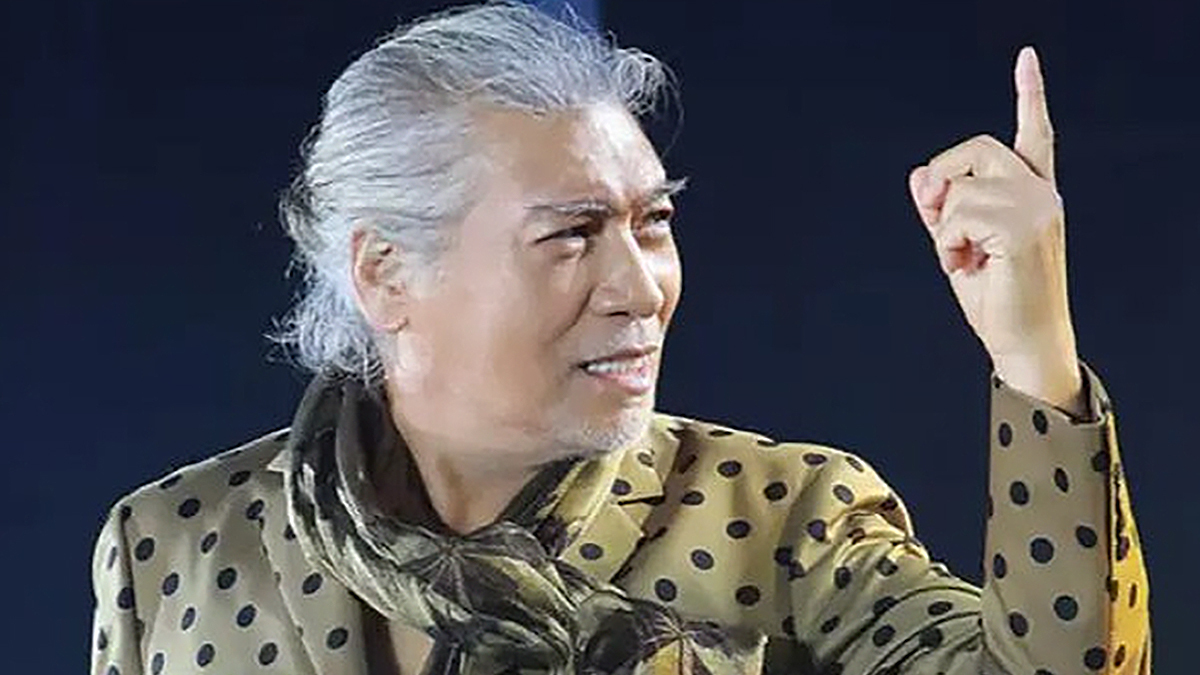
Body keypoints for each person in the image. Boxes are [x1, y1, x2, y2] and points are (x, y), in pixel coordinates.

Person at [88, 2, 1151, 674]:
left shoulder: (787, 520)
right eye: (572, 234)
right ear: (386, 271)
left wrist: (1035, 358)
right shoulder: (170, 547)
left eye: (654, 222)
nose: (642, 288)